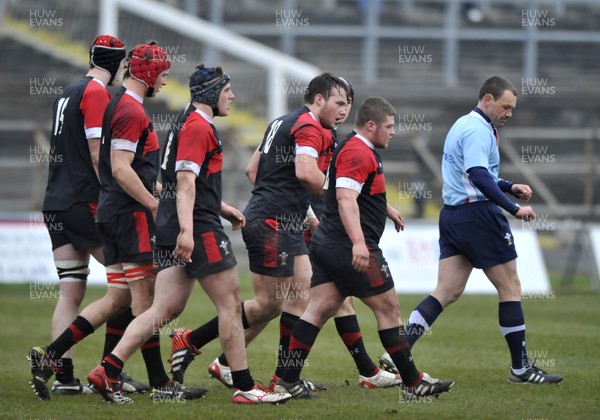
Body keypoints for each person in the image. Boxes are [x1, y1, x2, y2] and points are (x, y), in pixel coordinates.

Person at [87, 65, 291, 405]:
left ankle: (107, 369)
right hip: (195, 226)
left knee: (162, 308)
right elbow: (184, 181)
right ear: (212, 94)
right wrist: (187, 229)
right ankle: (244, 386)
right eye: (227, 91)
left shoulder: (187, 121)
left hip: (177, 222)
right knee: (230, 302)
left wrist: (220, 206)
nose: (233, 96)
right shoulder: (198, 125)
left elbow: (183, 179)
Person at [167, 73, 354, 390]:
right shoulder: (309, 126)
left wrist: (300, 211)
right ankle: (191, 339)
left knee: (299, 298)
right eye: (339, 102)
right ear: (319, 99)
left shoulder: (282, 121)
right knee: (269, 304)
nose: (343, 110)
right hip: (272, 223)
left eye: (348, 104)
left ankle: (285, 379)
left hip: (282, 220)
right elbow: (306, 172)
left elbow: (253, 170)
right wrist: (342, 195)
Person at [380, 76, 563, 385]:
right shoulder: (479, 130)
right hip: (478, 215)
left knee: (447, 291)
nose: (509, 113)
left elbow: (476, 173)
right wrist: (512, 207)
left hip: (453, 215)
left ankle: (399, 352)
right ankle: (520, 368)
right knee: (510, 287)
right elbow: (478, 175)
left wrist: (508, 185)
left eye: (512, 108)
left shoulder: (463, 125)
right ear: (487, 99)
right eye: (505, 106)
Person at [28, 42, 182, 403]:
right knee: (137, 292)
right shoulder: (100, 95)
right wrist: (139, 199)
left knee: (84, 291)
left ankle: (64, 371)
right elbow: (107, 159)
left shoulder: (67, 93)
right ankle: (125, 373)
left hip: (58, 202)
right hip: (92, 203)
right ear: (117, 67)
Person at [275, 97, 455, 399]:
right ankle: (412, 382)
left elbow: (354, 190)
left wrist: (385, 209)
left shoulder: (352, 146)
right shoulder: (359, 151)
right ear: (371, 125)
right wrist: (359, 243)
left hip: (327, 243)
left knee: (319, 308)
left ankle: (287, 379)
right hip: (348, 245)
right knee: (388, 308)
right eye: (389, 126)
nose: (393, 132)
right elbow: (345, 198)